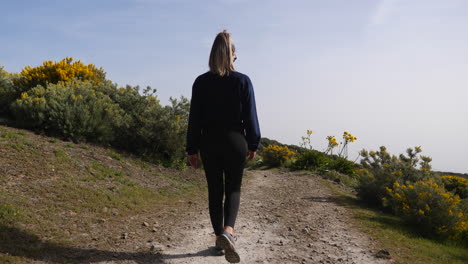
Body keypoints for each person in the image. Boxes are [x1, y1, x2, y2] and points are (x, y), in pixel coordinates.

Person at [186, 30, 260, 263]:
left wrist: (192, 149)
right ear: (232, 55)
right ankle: (228, 231)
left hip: (209, 142)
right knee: (234, 189)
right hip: (235, 141)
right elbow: (251, 118)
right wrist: (253, 142)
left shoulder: (201, 82)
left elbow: (194, 118)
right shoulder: (243, 81)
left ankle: (219, 239)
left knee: (215, 191)